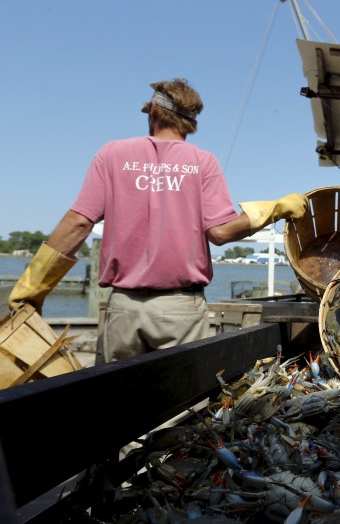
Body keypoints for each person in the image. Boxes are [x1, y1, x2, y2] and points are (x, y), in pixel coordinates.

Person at [8, 78, 308, 363]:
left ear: (153, 111)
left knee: (115, 399)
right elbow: (220, 232)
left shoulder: (113, 155)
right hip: (181, 309)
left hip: (123, 306)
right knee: (182, 404)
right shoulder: (203, 162)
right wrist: (275, 208)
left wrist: (33, 288)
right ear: (191, 122)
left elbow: (78, 223)